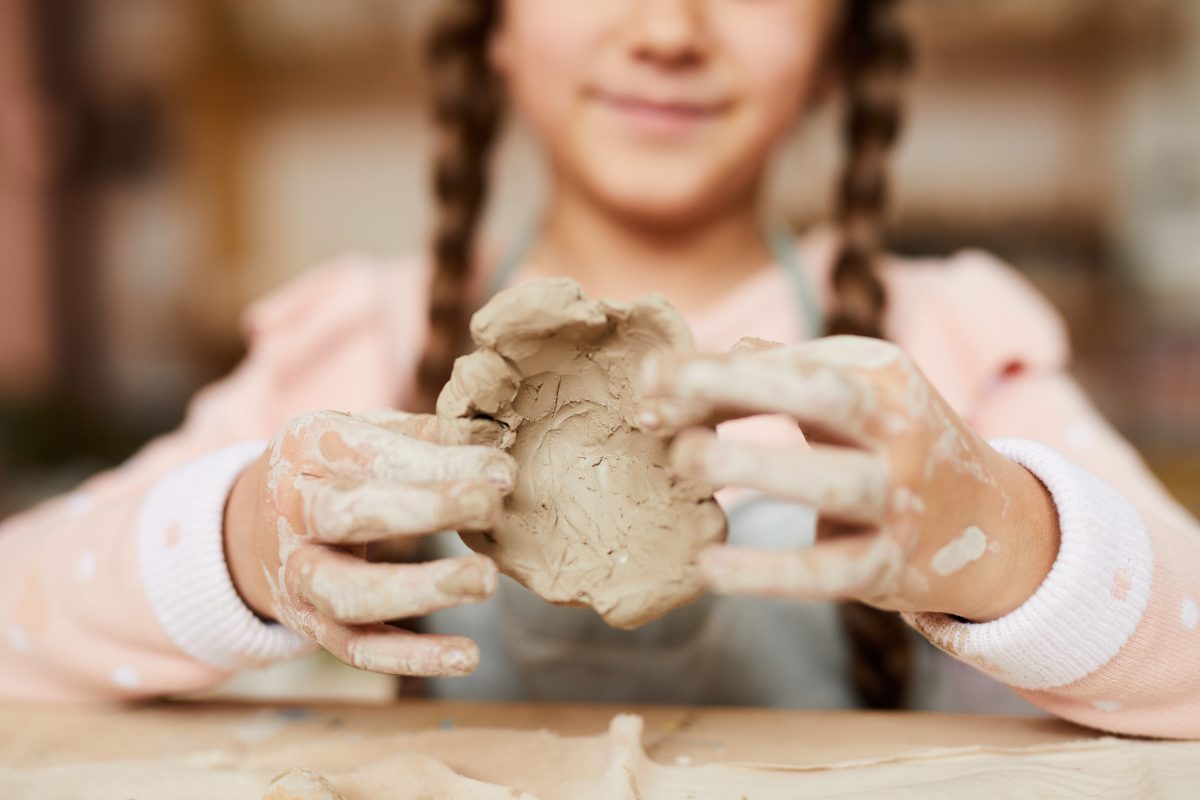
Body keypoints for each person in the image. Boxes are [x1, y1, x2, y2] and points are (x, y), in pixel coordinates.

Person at [1, 0, 1196, 739]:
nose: (670, 27)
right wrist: (240, 542)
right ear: (495, 29)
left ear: (842, 47)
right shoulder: (361, 339)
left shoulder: (938, 348)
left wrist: (1009, 533)